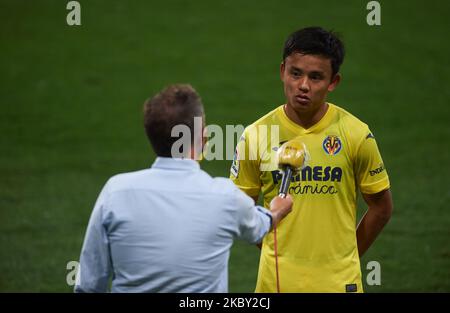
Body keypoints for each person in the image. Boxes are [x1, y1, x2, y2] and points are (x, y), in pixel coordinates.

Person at [74, 84, 293, 293]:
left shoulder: (116, 192)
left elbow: (89, 283)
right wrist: (277, 209)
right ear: (204, 138)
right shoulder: (224, 196)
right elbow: (259, 227)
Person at [230, 27, 393, 293]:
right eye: (296, 73)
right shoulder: (255, 136)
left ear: (333, 82)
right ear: (283, 71)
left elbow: (381, 207)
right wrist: (275, 251)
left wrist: (347, 255)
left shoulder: (356, 134)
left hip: (339, 283)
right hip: (276, 284)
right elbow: (240, 211)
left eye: (316, 77)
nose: (303, 85)